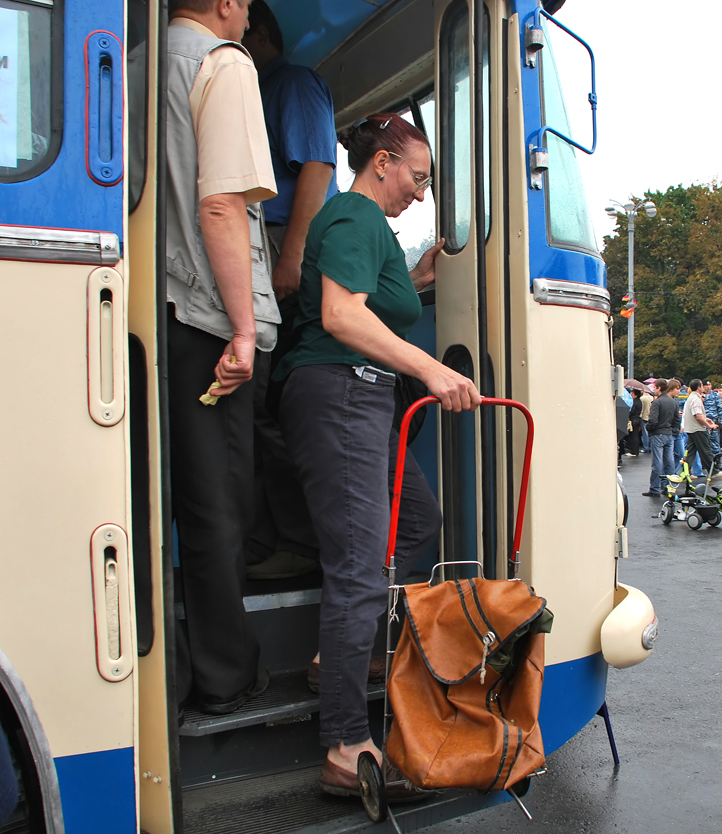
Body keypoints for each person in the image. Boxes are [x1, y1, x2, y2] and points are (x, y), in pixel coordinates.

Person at [274, 113, 481, 797]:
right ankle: (343, 745)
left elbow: (371, 303)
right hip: (338, 393)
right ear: (384, 161)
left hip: (360, 399)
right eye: (418, 178)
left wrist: (417, 280)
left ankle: (340, 651)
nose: (421, 193)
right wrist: (430, 368)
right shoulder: (352, 216)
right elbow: (340, 314)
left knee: (418, 521)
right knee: (360, 567)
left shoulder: (371, 231)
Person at [166, 0, 278, 714]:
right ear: (230, 5)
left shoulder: (146, 61)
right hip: (210, 320)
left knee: (183, 499)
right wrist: (243, 329)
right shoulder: (223, 64)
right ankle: (224, 678)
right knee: (220, 506)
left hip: (165, 311)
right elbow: (221, 205)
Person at [242, 0, 340, 579]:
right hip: (268, 239)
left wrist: (292, 257)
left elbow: (317, 168)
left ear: (255, 30)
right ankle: (269, 538)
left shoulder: (292, 84)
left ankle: (300, 543)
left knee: (270, 401)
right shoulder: (259, 88)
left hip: (283, 242)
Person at [643, 378, 679, 496]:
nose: (653, 389)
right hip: (669, 433)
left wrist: (649, 428)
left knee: (657, 462)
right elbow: (676, 420)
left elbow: (653, 420)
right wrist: (673, 431)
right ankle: (669, 487)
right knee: (669, 461)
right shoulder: (673, 402)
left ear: (659, 388)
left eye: (654, 387)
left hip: (658, 433)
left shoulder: (657, 402)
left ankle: (655, 488)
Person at [681, 379, 721, 476]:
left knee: (690, 452)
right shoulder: (696, 399)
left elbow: (695, 415)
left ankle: (686, 472)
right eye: (702, 385)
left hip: (691, 428)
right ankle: (713, 471)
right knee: (706, 450)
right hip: (697, 429)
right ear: (699, 387)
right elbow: (698, 416)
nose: (703, 387)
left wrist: (706, 419)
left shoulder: (690, 398)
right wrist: (709, 425)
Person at [702, 380, 722, 457]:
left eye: (709, 385)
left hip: (714, 422)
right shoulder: (701, 396)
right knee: (704, 444)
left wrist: (721, 421)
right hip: (703, 423)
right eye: (706, 385)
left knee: (715, 443)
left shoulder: (715, 396)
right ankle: (705, 462)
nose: (708, 387)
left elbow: (721, 409)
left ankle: (717, 461)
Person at [626, 388, 644, 456]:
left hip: (634, 420)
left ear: (635, 395)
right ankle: (635, 450)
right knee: (635, 435)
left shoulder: (635, 402)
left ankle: (634, 451)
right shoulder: (639, 401)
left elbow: (632, 411)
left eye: (632, 393)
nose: (631, 395)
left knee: (633, 436)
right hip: (637, 419)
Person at [639, 387, 654, 453]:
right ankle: (650, 447)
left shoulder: (642, 398)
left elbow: (641, 409)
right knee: (650, 434)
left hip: (644, 417)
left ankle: (645, 447)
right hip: (650, 417)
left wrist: (640, 416)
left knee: (645, 433)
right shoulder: (652, 398)